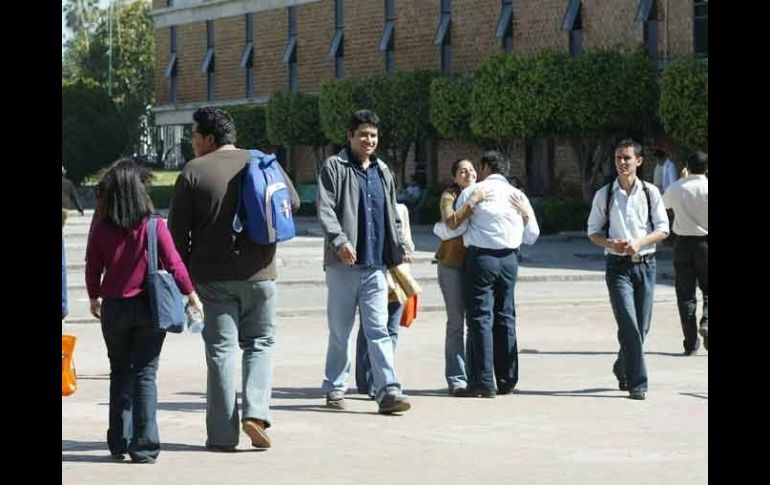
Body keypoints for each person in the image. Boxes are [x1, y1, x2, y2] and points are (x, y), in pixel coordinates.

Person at [168, 107, 299, 451]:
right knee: (260, 343)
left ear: (209, 138)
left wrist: (182, 283)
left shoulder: (194, 171)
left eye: (194, 135)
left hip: (213, 278)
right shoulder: (263, 162)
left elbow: (176, 238)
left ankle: (223, 436)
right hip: (262, 275)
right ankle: (256, 413)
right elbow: (292, 203)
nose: (192, 142)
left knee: (221, 352)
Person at [85, 159, 204, 463]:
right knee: (145, 374)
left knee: (120, 372)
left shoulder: (100, 226)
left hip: (114, 307)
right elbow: (175, 264)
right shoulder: (155, 226)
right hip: (150, 308)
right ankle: (145, 445)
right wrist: (191, 295)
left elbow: (92, 267)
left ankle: (119, 440)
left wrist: (94, 298)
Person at [317, 109, 412, 414]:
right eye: (363, 134)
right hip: (343, 265)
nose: (369, 140)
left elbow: (393, 213)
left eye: (373, 135)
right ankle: (334, 388)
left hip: (375, 266)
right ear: (350, 136)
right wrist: (340, 241)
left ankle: (387, 390)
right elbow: (326, 209)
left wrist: (400, 244)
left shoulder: (383, 170)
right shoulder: (335, 167)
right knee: (340, 331)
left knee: (378, 329)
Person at [587, 139, 669, 401]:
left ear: (639, 161)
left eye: (627, 158)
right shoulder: (605, 194)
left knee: (642, 328)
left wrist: (639, 243)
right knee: (629, 325)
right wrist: (610, 243)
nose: (622, 162)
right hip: (617, 267)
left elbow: (663, 229)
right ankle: (638, 383)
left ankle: (621, 366)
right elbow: (593, 232)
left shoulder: (651, 193)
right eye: (618, 158)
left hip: (646, 264)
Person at [453, 151, 540, 397]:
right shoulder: (517, 194)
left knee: (480, 318)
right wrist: (523, 214)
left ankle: (482, 381)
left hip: (482, 258)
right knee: (506, 317)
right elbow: (532, 236)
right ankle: (507, 379)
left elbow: (456, 225)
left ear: (483, 167)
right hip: (510, 261)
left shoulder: (474, 191)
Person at [433, 159, 489, 395]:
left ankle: (479, 375)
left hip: (478, 264)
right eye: (462, 171)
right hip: (452, 265)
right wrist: (471, 204)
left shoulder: (485, 192)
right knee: (456, 321)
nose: (468, 174)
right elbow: (451, 221)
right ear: (455, 177)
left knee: (477, 321)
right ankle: (457, 378)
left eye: (472, 170)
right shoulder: (450, 195)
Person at [354, 202, 414, 398]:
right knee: (370, 328)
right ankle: (366, 380)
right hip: (374, 272)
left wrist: (405, 250)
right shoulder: (365, 207)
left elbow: (408, 241)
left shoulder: (401, 209)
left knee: (391, 330)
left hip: (397, 275)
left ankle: (380, 378)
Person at [663, 151, 708, 354]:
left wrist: (682, 180)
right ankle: (707, 321)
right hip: (706, 243)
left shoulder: (677, 187)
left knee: (685, 294)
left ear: (687, 167)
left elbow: (663, 205)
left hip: (682, 244)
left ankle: (690, 343)